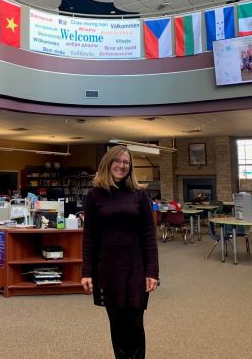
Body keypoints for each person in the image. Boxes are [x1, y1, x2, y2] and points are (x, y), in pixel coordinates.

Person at [81, 145, 159, 359]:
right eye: (118, 161)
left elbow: (149, 236)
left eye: (126, 162)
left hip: (135, 269)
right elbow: (89, 237)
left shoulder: (140, 195)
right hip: (107, 271)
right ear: (108, 163)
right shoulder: (94, 195)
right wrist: (86, 272)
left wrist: (152, 271)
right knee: (117, 326)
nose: (122, 165)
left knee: (134, 325)